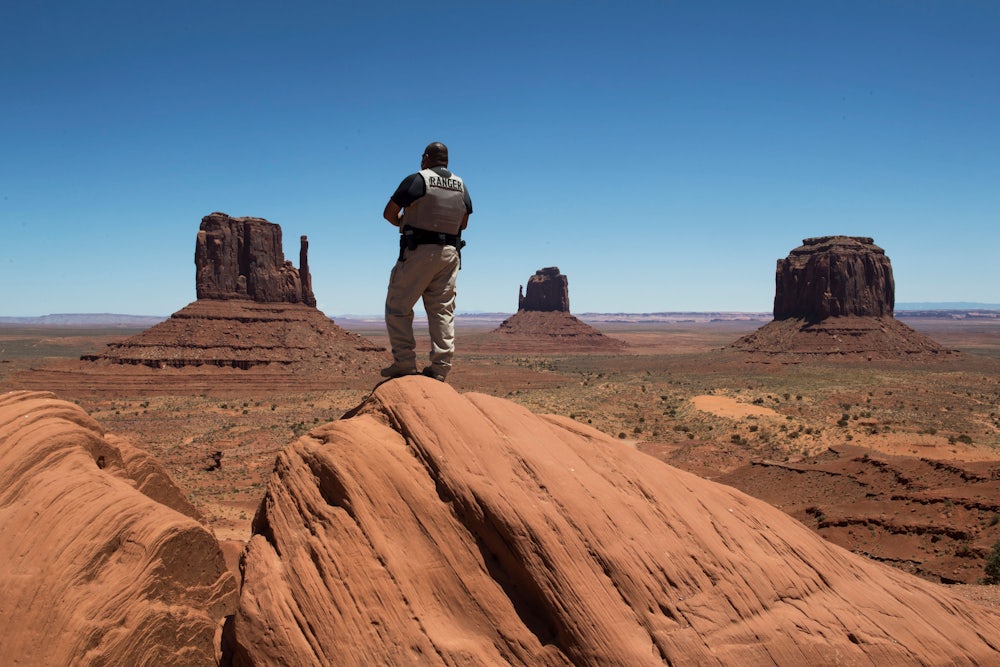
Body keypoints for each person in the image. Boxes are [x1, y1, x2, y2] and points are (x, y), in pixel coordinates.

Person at [380, 141, 472, 381]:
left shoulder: (417, 180)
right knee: (442, 311)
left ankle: (404, 363)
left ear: (427, 157)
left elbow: (389, 212)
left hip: (419, 251)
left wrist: (405, 223)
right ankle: (440, 368)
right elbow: (464, 223)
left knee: (398, 306)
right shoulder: (461, 185)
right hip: (450, 255)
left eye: (423, 156)